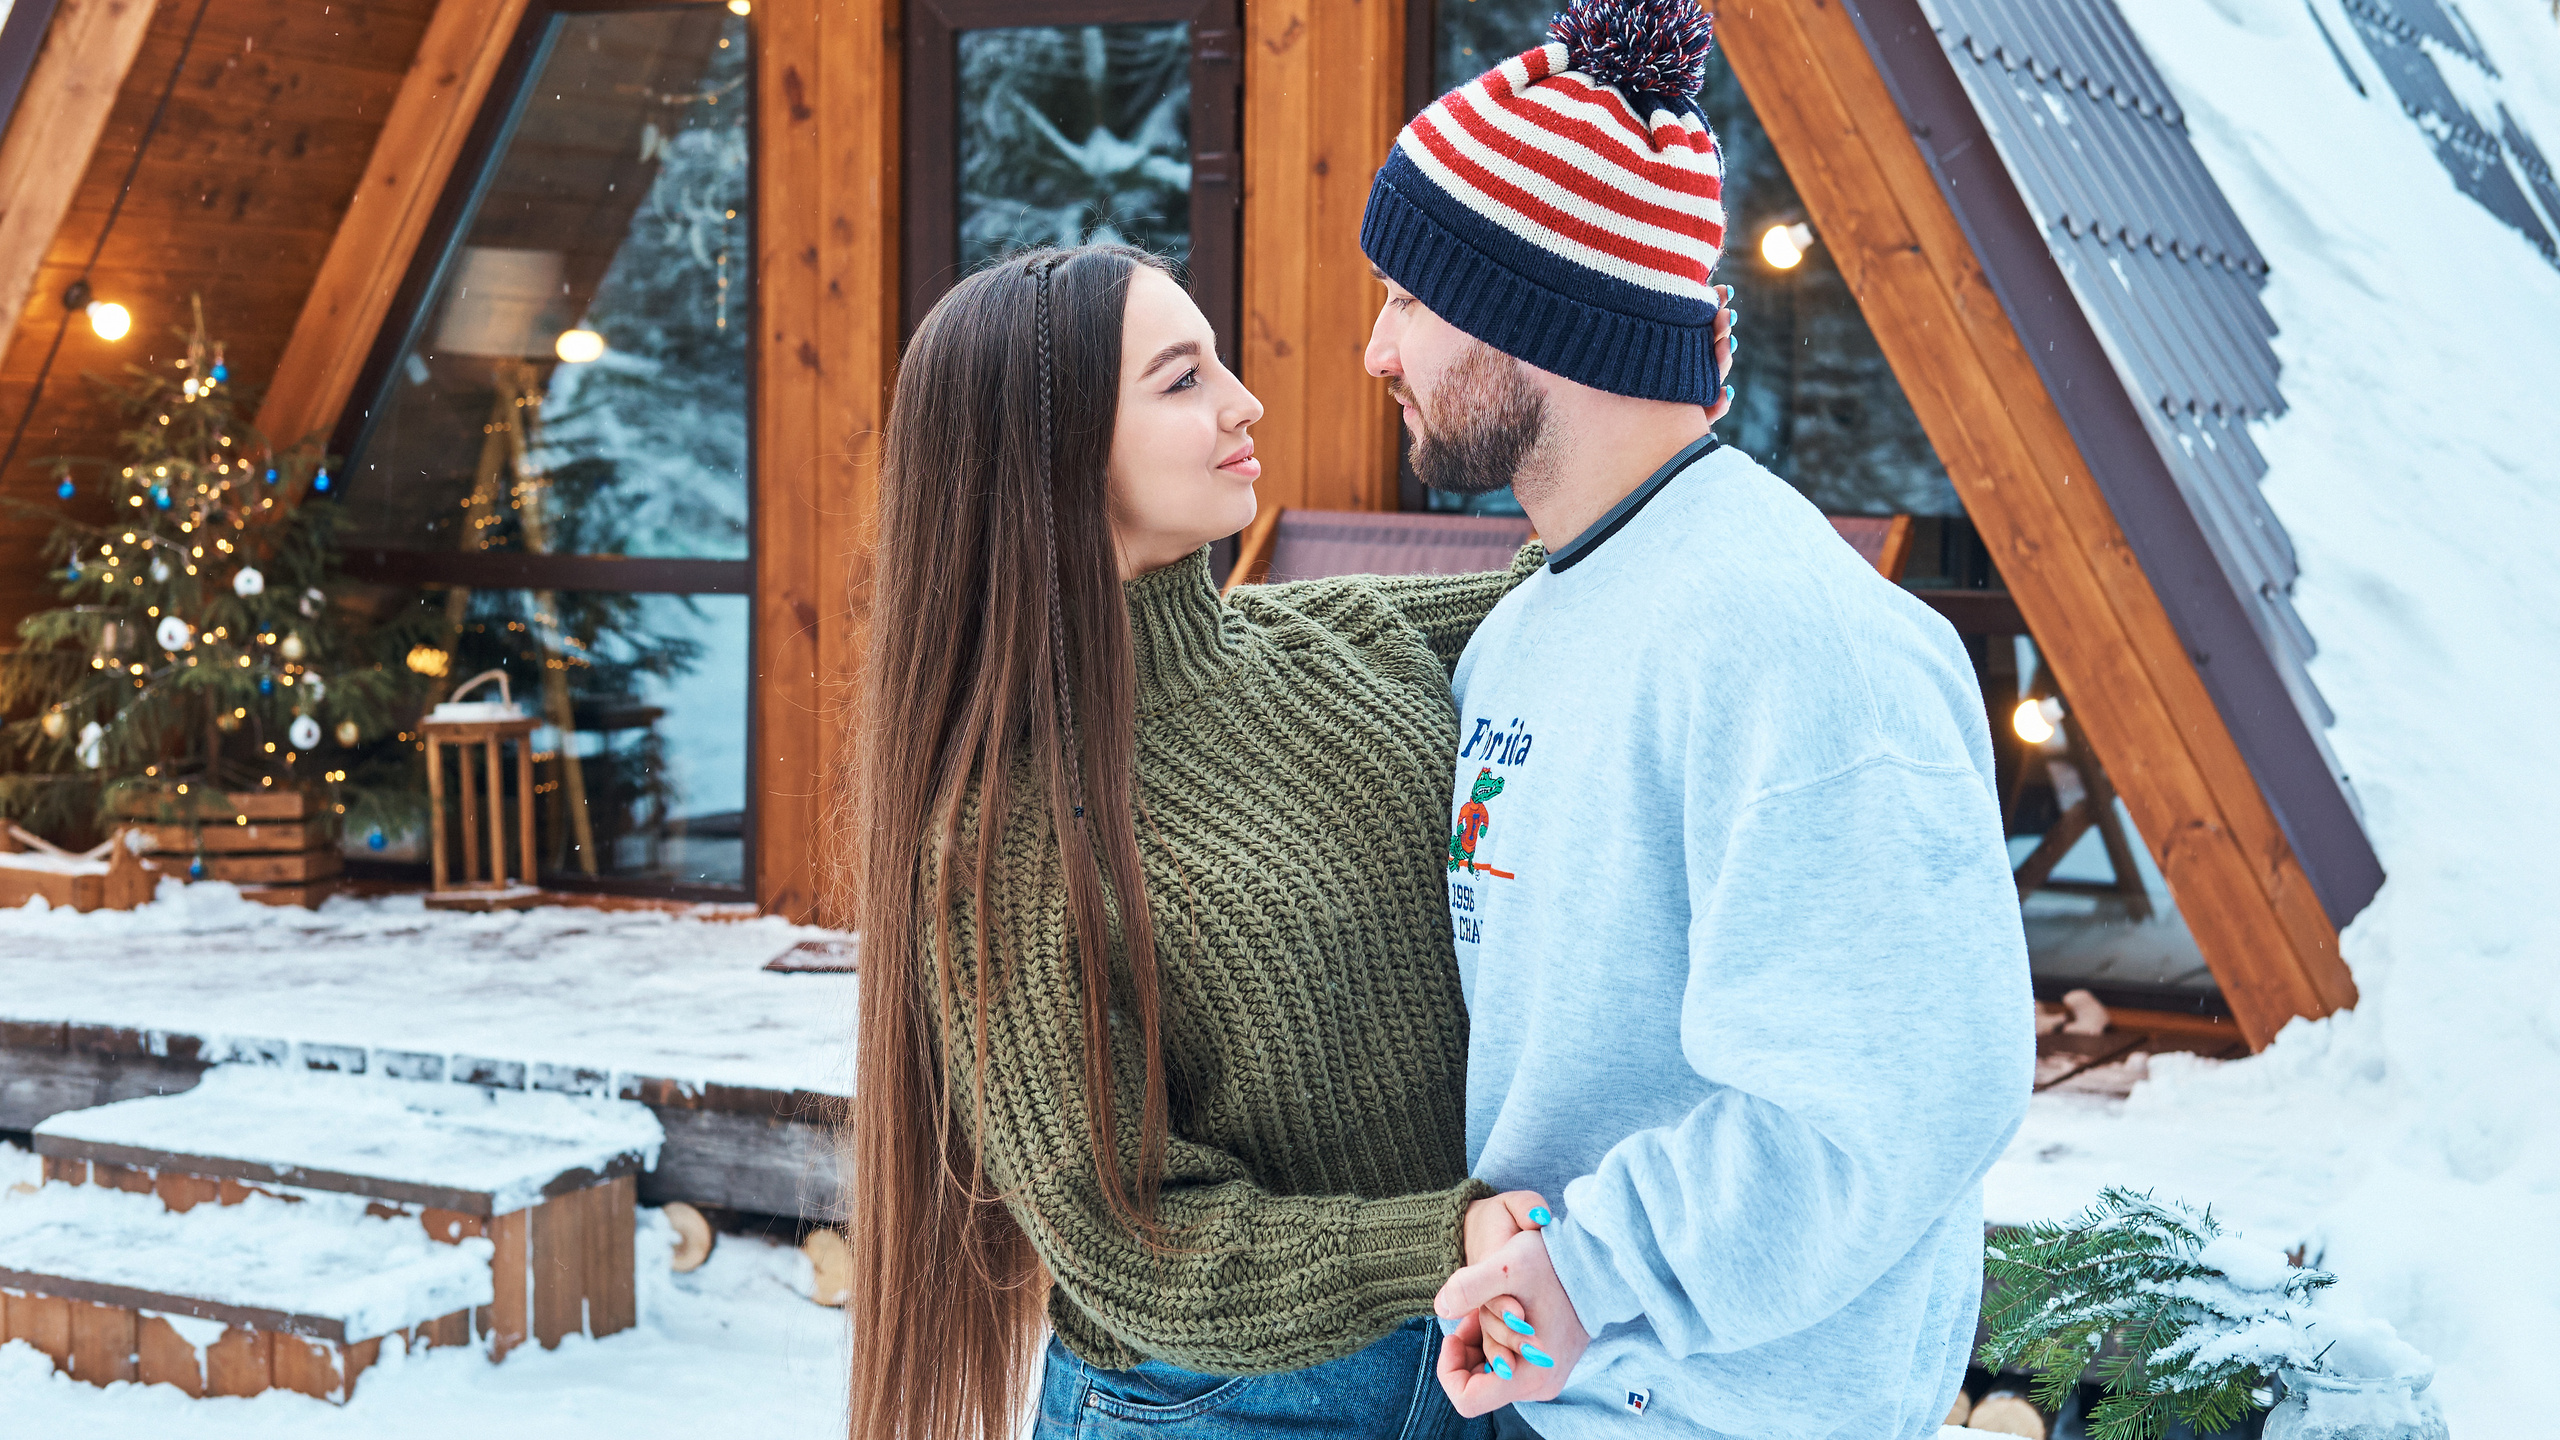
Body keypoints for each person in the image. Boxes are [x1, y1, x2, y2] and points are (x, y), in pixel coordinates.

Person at [845, 242, 1731, 1440]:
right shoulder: (1007, 831)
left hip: (1493, 1371)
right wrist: (1433, 1236)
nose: (1242, 399)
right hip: (1222, 1408)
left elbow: (1598, 569)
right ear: (1049, 455)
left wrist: (1648, 349)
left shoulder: (1340, 636)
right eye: (1180, 378)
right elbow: (1124, 1244)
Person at [1357, 0, 2037, 1435]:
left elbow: (1890, 1094)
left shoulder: (1802, 648)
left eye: (1410, 300)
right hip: (1547, 1387)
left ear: (1532, 313)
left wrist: (1595, 1270)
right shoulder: (1534, 624)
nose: (1376, 349)